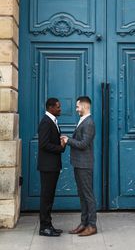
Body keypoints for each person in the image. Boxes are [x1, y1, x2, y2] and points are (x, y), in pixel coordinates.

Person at [61, 96, 97, 236]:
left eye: (77, 106)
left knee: (88, 195)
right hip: (78, 163)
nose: (76, 109)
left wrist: (68, 140)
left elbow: (83, 144)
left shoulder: (89, 123)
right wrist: (68, 138)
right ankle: (83, 223)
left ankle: (92, 225)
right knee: (82, 195)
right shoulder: (83, 120)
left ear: (84, 106)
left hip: (84, 164)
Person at [37, 97, 66, 237]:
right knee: (46, 197)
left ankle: (49, 225)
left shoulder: (52, 121)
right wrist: (60, 147)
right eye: (58, 107)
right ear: (51, 107)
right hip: (48, 167)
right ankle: (44, 227)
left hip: (52, 166)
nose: (60, 109)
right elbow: (43, 144)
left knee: (49, 197)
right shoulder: (46, 122)